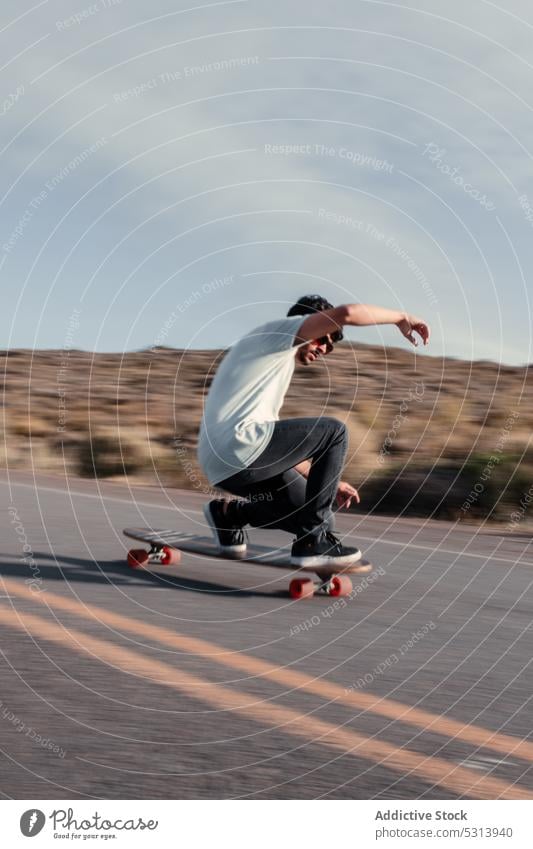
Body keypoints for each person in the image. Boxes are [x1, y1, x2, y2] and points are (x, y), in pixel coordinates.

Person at [197, 295, 430, 566]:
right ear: (306, 323)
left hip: (227, 463)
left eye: (331, 347)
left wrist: (330, 481)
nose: (324, 349)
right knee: (334, 431)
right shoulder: (279, 332)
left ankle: (229, 515)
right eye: (323, 338)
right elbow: (348, 312)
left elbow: (281, 452)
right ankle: (311, 543)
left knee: (320, 516)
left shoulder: (271, 363)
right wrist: (402, 317)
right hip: (238, 448)